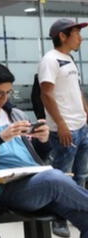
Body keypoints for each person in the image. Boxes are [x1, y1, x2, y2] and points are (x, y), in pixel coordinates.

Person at [0, 62, 88, 238]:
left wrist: (43, 141)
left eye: (8, 93)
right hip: (1, 187)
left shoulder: (16, 114)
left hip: (34, 180)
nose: (4, 98)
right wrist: (0, 138)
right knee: (54, 178)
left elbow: (38, 154)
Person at [38, 18, 88, 237]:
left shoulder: (68, 58)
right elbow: (46, 94)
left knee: (80, 176)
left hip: (81, 126)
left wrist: (86, 112)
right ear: (63, 36)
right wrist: (61, 124)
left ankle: (79, 217)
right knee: (62, 177)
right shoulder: (50, 60)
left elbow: (75, 90)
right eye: (77, 33)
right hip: (64, 129)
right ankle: (58, 219)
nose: (81, 38)